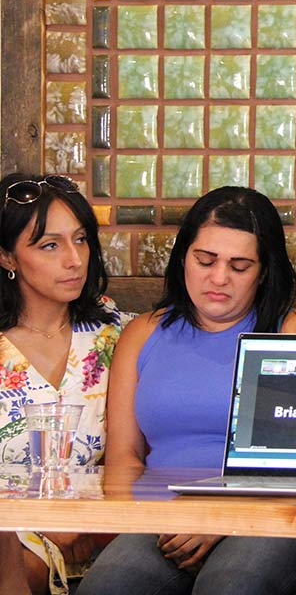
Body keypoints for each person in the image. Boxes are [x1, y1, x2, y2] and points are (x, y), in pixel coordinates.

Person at [78, 187, 296, 595]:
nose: (219, 278)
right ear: (184, 256)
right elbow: (124, 457)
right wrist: (140, 520)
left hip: (272, 512)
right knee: (109, 586)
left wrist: (221, 515)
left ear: (264, 271)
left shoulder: (294, 331)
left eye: (239, 266)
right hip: (162, 517)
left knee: (229, 585)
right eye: (205, 260)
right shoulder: (143, 333)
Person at [0, 173, 132, 594]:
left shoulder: (118, 333)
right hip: (13, 532)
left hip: (101, 535)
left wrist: (289, 322)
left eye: (81, 239)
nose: (75, 259)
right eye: (50, 245)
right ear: (7, 257)